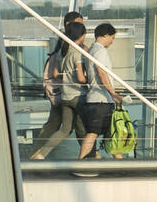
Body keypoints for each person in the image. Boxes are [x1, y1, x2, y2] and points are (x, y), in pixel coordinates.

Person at [29, 21, 88, 160]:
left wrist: (67, 75)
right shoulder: (77, 53)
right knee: (85, 130)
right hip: (77, 96)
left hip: (65, 96)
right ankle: (88, 158)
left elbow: (55, 73)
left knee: (64, 130)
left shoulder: (63, 52)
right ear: (81, 35)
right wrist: (89, 80)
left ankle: (42, 154)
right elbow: (80, 77)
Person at [76, 23, 123, 168]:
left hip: (96, 98)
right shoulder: (100, 51)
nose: (112, 41)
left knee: (110, 132)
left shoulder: (91, 50)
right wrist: (113, 94)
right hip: (101, 99)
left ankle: (121, 162)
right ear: (105, 35)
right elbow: (102, 73)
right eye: (112, 38)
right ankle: (80, 162)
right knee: (93, 132)